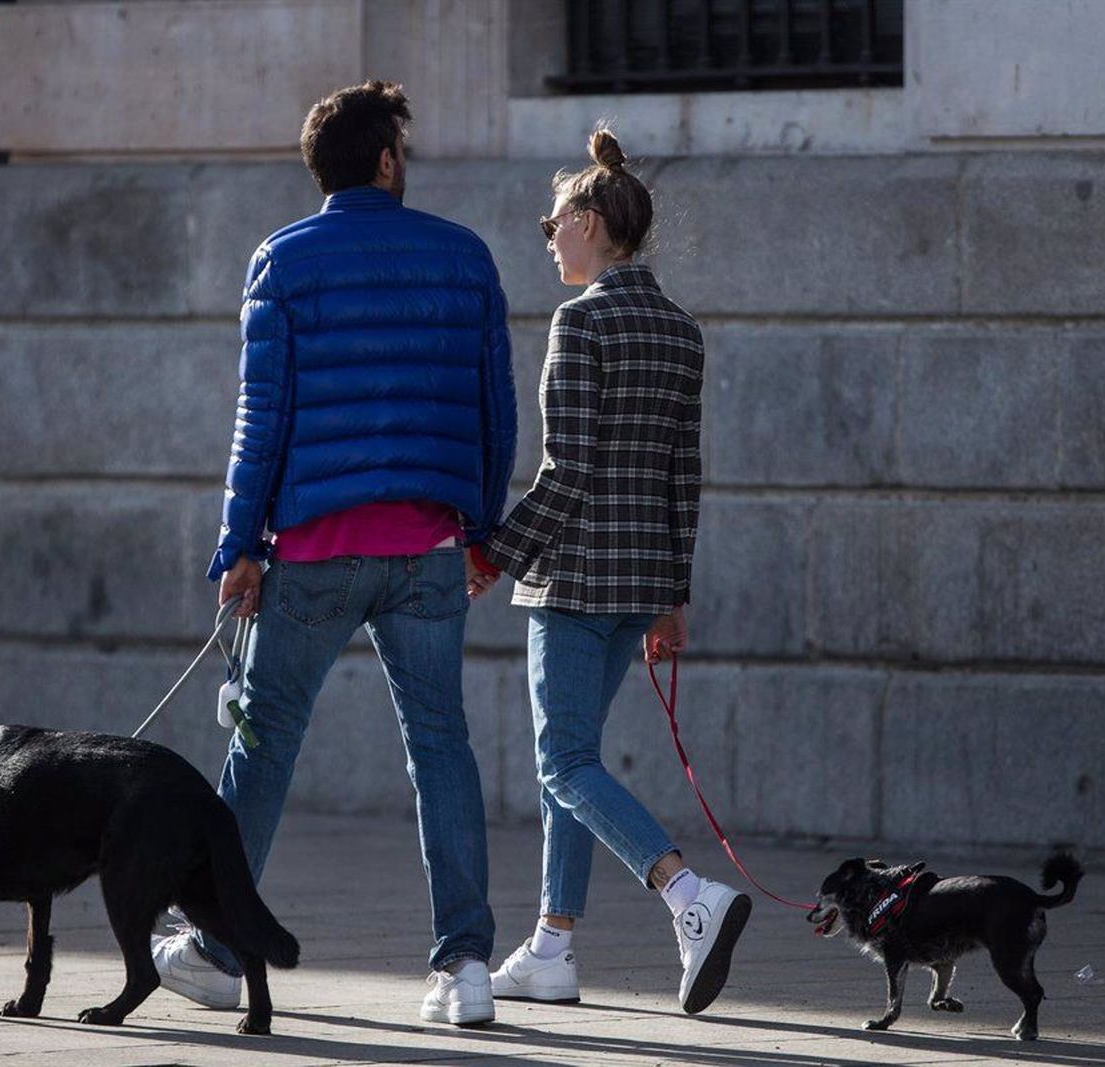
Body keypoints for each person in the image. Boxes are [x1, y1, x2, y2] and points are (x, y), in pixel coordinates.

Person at [150, 81, 515, 1028]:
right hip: (430, 548)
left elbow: (258, 420)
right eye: (405, 144)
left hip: (313, 548)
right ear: (386, 160)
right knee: (443, 748)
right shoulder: (465, 257)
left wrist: (239, 545)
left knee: (263, 746)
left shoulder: (284, 259)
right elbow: (494, 410)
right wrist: (480, 530)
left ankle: (219, 946)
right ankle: (467, 965)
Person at [470, 126, 750, 1016]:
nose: (547, 237)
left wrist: (493, 553)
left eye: (552, 223)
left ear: (589, 221)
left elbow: (568, 470)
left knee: (561, 762)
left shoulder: (580, 320)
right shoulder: (681, 328)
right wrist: (675, 594)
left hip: (575, 577)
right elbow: (683, 473)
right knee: (576, 763)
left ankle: (685, 894)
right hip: (639, 586)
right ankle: (552, 945)